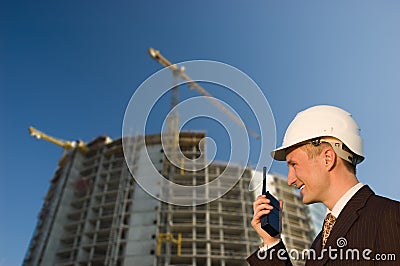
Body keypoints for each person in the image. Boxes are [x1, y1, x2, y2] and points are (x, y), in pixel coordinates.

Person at [247, 105, 400, 265]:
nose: (290, 179)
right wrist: (272, 242)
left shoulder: (390, 217)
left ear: (327, 158)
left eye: (294, 165)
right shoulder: (319, 245)